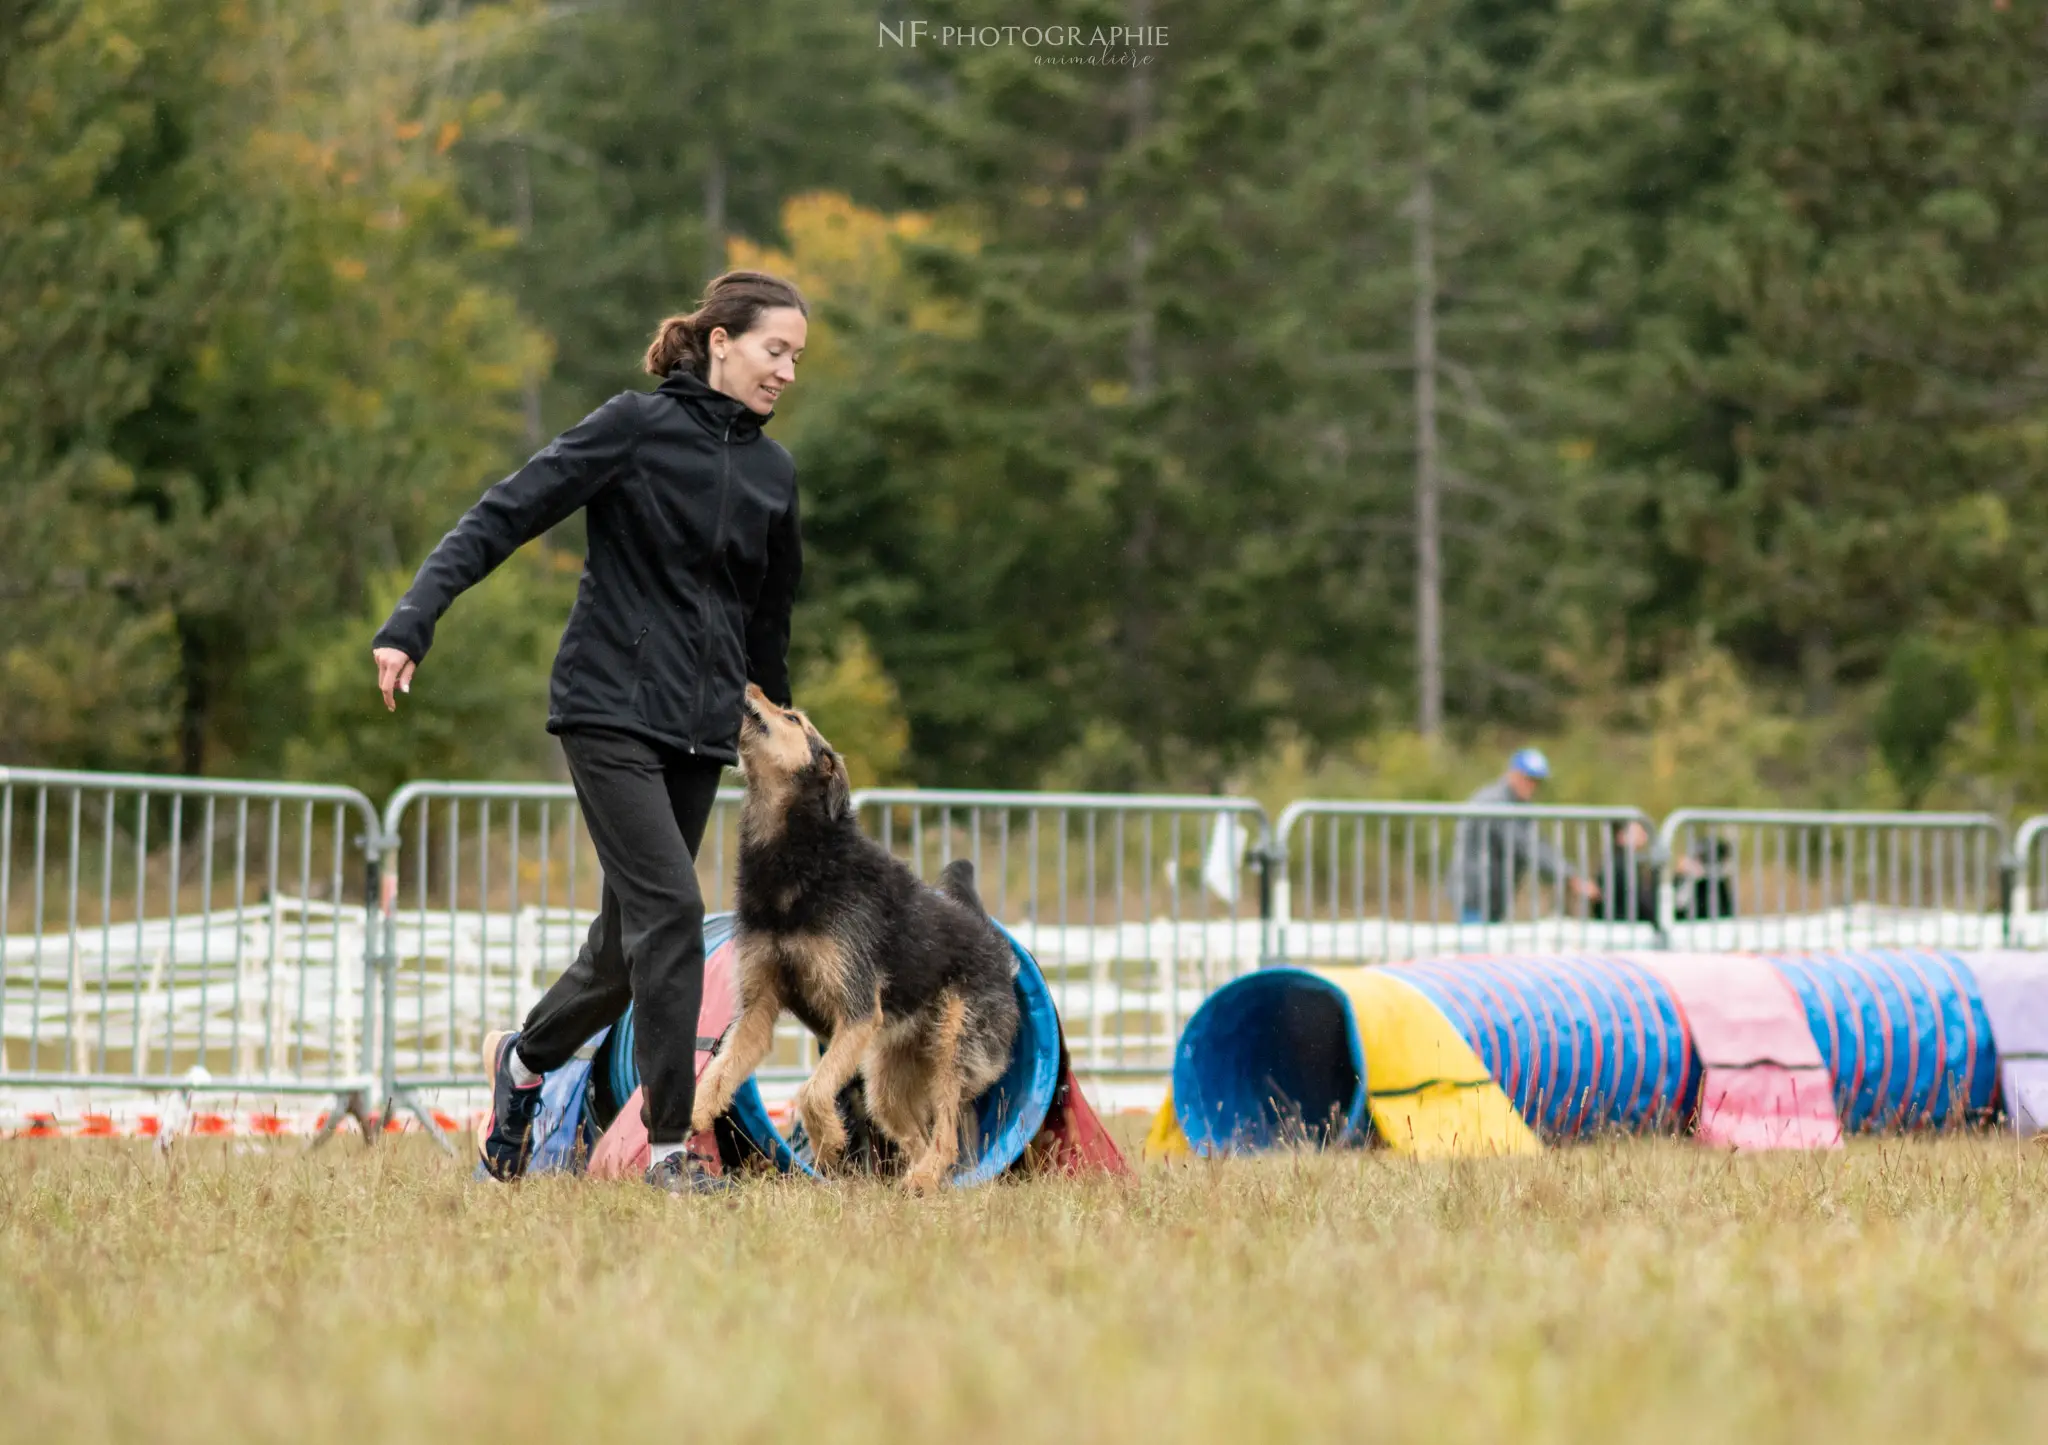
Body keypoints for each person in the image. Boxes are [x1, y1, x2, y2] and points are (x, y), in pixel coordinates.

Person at [370, 270, 808, 1193]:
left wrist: (781, 738)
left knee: (623, 949)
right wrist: (415, 616)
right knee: (673, 916)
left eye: (798, 358)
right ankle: (671, 1148)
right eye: (777, 350)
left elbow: (769, 624)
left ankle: (523, 1063)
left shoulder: (774, 475)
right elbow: (506, 511)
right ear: (721, 340)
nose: (788, 372)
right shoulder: (635, 428)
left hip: (699, 731)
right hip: (608, 706)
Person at [1449, 748, 1600, 924]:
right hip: (1475, 892)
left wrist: (1568, 873)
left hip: (1494, 893)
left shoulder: (1519, 804)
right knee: (1475, 947)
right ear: (1513, 774)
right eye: (1528, 779)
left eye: (1537, 781)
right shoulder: (1493, 802)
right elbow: (1525, 844)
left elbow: (1539, 843)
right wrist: (1570, 877)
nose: (1532, 786)